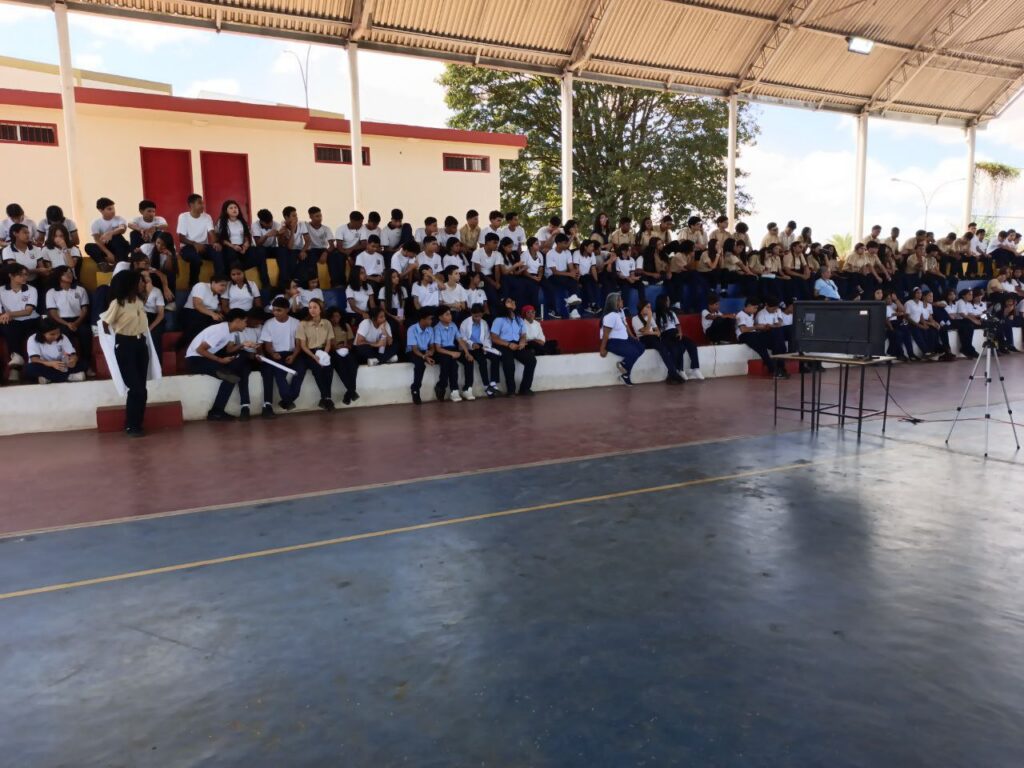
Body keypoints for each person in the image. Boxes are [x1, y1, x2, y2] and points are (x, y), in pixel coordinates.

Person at [100, 270, 151, 436]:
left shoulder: (139, 301)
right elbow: (105, 323)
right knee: (136, 388)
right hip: (125, 345)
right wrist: (114, 340)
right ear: (131, 284)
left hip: (140, 344)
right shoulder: (118, 303)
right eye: (140, 281)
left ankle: (135, 424)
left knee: (141, 388)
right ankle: (131, 425)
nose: (143, 283)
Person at [185, 308, 251, 421]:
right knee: (231, 377)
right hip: (195, 360)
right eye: (245, 321)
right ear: (237, 321)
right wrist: (220, 360)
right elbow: (200, 350)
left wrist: (242, 345)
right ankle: (216, 412)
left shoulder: (229, 330)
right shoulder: (220, 331)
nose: (246, 324)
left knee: (235, 372)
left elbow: (229, 350)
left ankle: (217, 411)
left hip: (204, 358)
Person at [258, 296, 303, 415]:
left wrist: (293, 356)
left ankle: (287, 400)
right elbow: (268, 345)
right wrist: (273, 353)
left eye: (279, 310)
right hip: (276, 354)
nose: (275, 313)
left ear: (287, 310)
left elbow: (299, 344)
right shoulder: (269, 323)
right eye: (274, 310)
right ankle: (287, 400)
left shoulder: (296, 323)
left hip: (293, 353)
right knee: (279, 373)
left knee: (300, 371)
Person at [46, 266, 92, 376]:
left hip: (78, 320)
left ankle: (87, 365)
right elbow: (53, 313)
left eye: (70, 272)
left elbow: (84, 309)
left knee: (86, 333)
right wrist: (67, 324)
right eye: (65, 273)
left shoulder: (80, 289)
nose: (69, 275)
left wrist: (76, 323)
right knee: (65, 335)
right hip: (61, 321)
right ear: (58, 276)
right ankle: (72, 367)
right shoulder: (52, 292)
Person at [294, 298, 338, 411]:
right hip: (309, 352)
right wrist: (315, 357)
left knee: (328, 369)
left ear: (320, 309)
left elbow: (328, 343)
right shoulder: (303, 324)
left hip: (324, 350)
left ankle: (325, 398)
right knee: (317, 369)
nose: (312, 310)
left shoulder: (327, 323)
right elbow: (303, 345)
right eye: (310, 307)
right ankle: (327, 398)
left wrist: (324, 356)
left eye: (315, 307)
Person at [0, 263, 40, 380]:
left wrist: (9, 314)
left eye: (26, 274)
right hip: (12, 321)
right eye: (20, 275)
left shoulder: (31, 289)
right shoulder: (1, 290)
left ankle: (18, 364)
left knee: (13, 329)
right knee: (8, 327)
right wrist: (4, 316)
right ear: (10, 275)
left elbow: (28, 311)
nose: (24, 277)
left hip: (31, 320)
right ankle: (15, 363)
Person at [216, 200, 268, 289]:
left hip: (242, 248)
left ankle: (266, 283)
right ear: (226, 211)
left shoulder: (242, 221)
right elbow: (221, 239)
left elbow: (247, 236)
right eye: (231, 208)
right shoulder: (222, 221)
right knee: (231, 254)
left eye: (235, 207)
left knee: (261, 251)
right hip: (229, 247)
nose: (234, 209)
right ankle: (236, 280)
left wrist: (246, 245)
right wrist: (233, 246)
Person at [490, 297, 537, 396]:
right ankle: (511, 390)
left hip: (516, 344)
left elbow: (523, 334)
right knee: (509, 363)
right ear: (504, 305)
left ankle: (525, 388)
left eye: (513, 301)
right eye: (509, 301)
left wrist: (522, 342)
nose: (512, 302)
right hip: (503, 344)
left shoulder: (519, 319)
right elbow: (494, 338)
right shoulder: (499, 320)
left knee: (531, 360)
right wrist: (508, 344)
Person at [632, 300, 683, 384]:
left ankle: (672, 374)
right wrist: (649, 319)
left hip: (653, 338)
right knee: (662, 348)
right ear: (642, 308)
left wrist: (651, 332)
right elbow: (644, 332)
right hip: (644, 340)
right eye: (647, 307)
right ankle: (674, 375)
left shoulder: (650, 317)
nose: (649, 309)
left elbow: (658, 332)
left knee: (667, 349)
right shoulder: (635, 318)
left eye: (650, 307)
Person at [599, 292, 643, 386]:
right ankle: (625, 371)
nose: (622, 301)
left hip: (624, 339)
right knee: (634, 352)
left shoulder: (620, 312)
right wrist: (603, 349)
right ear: (614, 302)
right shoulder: (611, 316)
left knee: (641, 347)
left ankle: (624, 368)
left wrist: (632, 336)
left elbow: (625, 325)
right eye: (620, 300)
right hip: (613, 342)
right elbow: (606, 334)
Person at [655, 293, 703, 380]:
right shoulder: (656, 314)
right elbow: (656, 328)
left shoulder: (671, 313)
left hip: (675, 333)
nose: (669, 302)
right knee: (678, 347)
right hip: (665, 335)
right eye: (667, 300)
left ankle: (695, 368)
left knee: (691, 344)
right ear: (663, 302)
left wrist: (680, 332)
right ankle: (680, 370)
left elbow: (678, 325)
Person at [736, 297, 787, 378]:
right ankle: (772, 369)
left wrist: (760, 327)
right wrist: (757, 326)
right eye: (755, 308)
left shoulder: (751, 314)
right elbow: (743, 329)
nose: (756, 310)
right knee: (761, 349)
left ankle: (780, 367)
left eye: (757, 308)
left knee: (775, 340)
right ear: (748, 305)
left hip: (753, 334)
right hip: (744, 335)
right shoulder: (740, 315)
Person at [177, 194, 222, 285]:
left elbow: (211, 232)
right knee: (196, 259)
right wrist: (195, 244)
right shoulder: (183, 217)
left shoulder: (207, 217)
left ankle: (219, 281)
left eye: (203, 203)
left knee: (218, 253)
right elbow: (181, 238)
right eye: (200, 203)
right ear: (191, 205)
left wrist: (216, 243)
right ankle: (193, 285)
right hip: (188, 247)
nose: (203, 205)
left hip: (203, 246)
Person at [25, 317, 86, 384]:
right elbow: (34, 359)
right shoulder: (32, 339)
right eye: (52, 334)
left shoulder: (63, 337)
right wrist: (51, 364)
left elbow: (72, 354)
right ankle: (69, 377)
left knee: (83, 364)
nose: (56, 336)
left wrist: (73, 360)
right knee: (30, 368)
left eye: (58, 333)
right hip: (44, 365)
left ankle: (49, 378)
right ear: (42, 333)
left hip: (61, 365)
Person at [459, 302, 499, 398]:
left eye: (480, 316)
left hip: (483, 346)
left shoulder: (484, 323)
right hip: (471, 347)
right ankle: (486, 386)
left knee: (495, 357)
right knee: (482, 361)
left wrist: (486, 347)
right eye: (476, 316)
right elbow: (462, 338)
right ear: (472, 314)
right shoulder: (465, 323)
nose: (478, 318)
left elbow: (487, 337)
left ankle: (493, 382)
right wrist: (472, 344)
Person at [432, 305, 470, 402]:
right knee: (452, 364)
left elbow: (460, 340)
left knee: (469, 360)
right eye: (447, 314)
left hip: (453, 349)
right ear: (440, 317)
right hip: (442, 351)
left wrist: (467, 352)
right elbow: (438, 348)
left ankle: (468, 388)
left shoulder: (453, 325)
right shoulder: (437, 328)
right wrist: (452, 353)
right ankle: (453, 390)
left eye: (450, 314)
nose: (450, 316)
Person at [183, 274, 229, 346]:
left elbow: (215, 309)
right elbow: (197, 305)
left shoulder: (217, 295)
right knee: (201, 322)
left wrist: (218, 313)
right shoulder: (201, 286)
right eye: (222, 285)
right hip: (192, 312)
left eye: (225, 286)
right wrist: (213, 314)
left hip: (206, 315)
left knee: (223, 322)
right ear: (213, 283)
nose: (224, 288)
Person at [326, 306, 360, 404]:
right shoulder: (328, 327)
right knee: (341, 367)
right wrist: (335, 347)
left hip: (345, 350)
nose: (335, 319)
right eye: (333, 317)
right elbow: (328, 342)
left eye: (337, 316)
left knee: (353, 365)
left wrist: (348, 346)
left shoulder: (345, 325)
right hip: (333, 351)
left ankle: (349, 393)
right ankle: (351, 391)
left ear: (341, 316)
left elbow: (350, 340)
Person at [86, 197, 131, 269]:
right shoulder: (96, 223)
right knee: (89, 246)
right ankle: (104, 264)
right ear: (101, 210)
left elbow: (122, 228)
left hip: (120, 247)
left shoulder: (119, 219)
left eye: (113, 208)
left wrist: (111, 233)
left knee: (116, 237)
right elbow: (97, 241)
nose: (113, 211)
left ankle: (120, 263)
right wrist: (108, 253)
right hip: (107, 248)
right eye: (109, 209)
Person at [406, 309, 436, 404]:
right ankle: (415, 389)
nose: (431, 321)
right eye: (429, 319)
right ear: (422, 320)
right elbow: (414, 349)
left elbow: (432, 346)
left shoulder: (430, 329)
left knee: (445, 358)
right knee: (420, 365)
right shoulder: (412, 329)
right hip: (412, 352)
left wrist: (431, 352)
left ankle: (442, 387)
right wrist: (425, 357)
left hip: (425, 351)